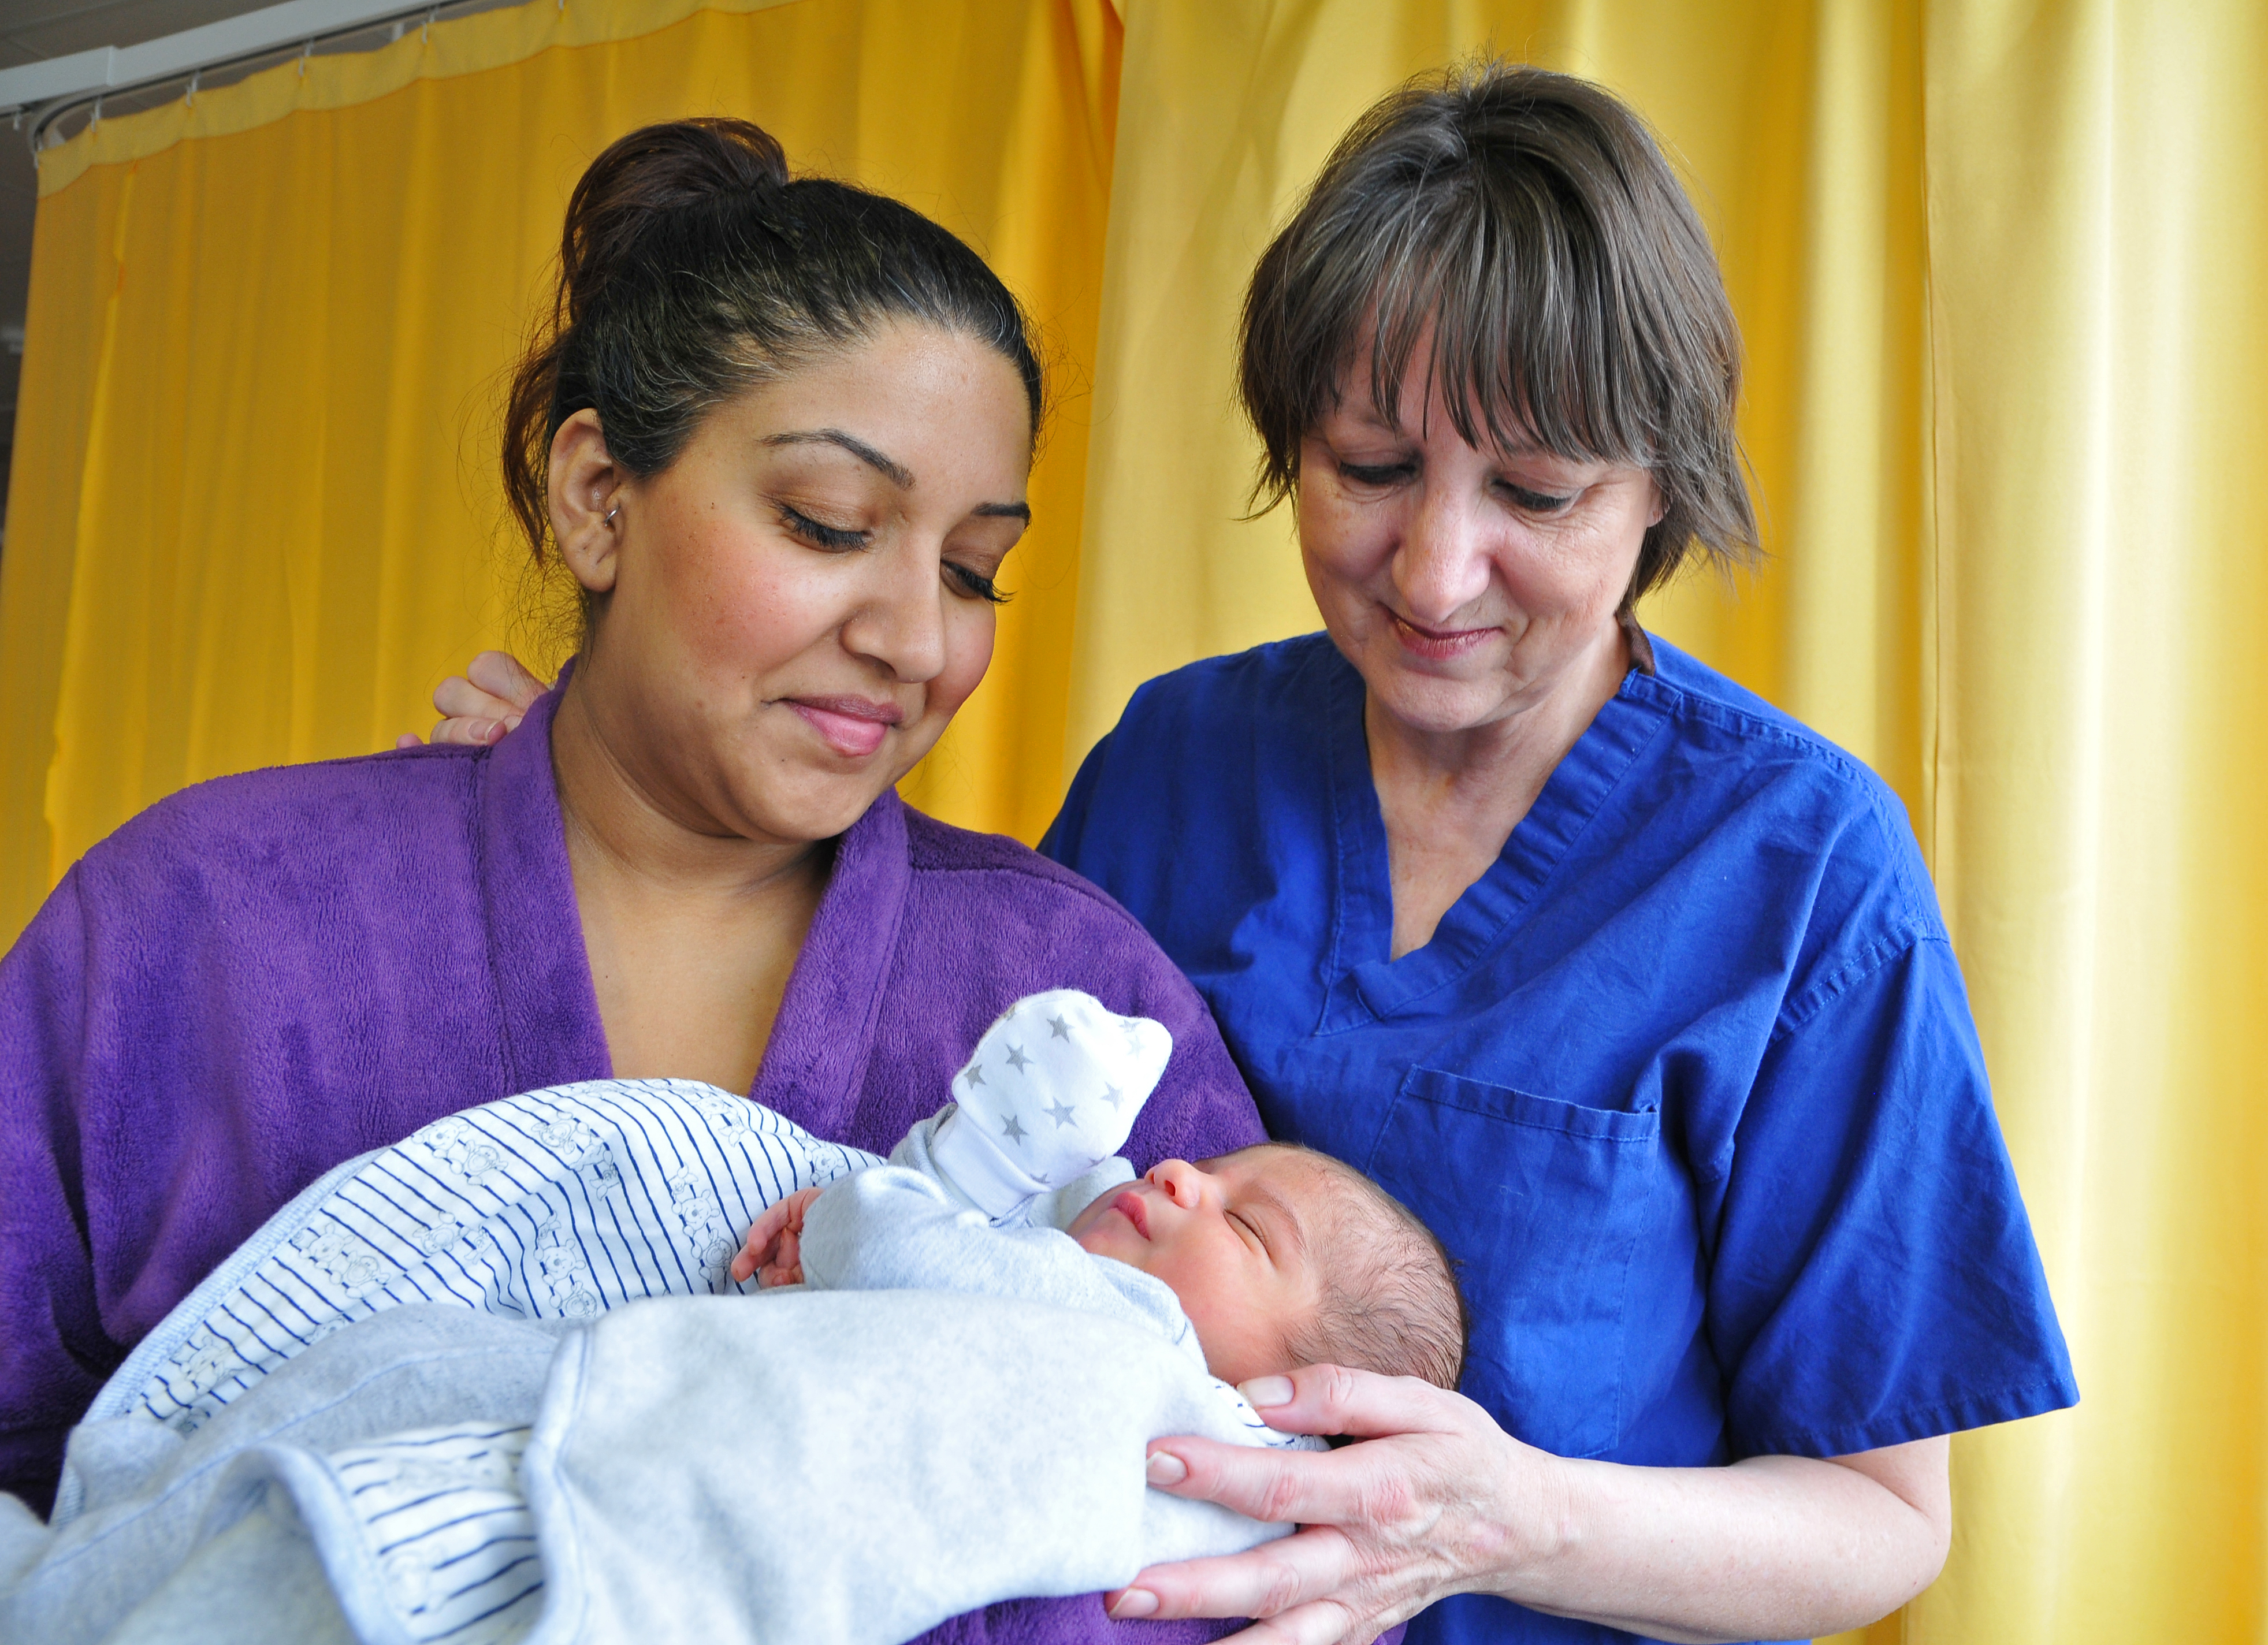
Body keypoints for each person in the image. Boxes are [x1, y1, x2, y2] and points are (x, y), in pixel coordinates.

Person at [424, 65, 2080, 1645]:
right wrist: (605, 785)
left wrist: (1506, 1520)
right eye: (1367, 470)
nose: (1434, 572)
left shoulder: (1790, 867)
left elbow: (1878, 1521)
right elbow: (920, 1084)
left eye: (1535, 492)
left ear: (1656, 493)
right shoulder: (1178, 765)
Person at [0, 116, 1273, 1645]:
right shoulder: (198, 924)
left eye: (968, 567)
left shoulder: (1073, 1001)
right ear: (599, 499)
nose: (917, 641)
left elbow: (1279, 1545)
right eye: (829, 524)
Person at [737, 988, 1470, 1393]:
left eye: (1247, 1226)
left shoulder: (1136, 1340)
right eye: (1210, 1168)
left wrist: (857, 1209)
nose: (1176, 1171)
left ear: (1294, 1396)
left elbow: (885, 1249)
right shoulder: (1071, 1261)